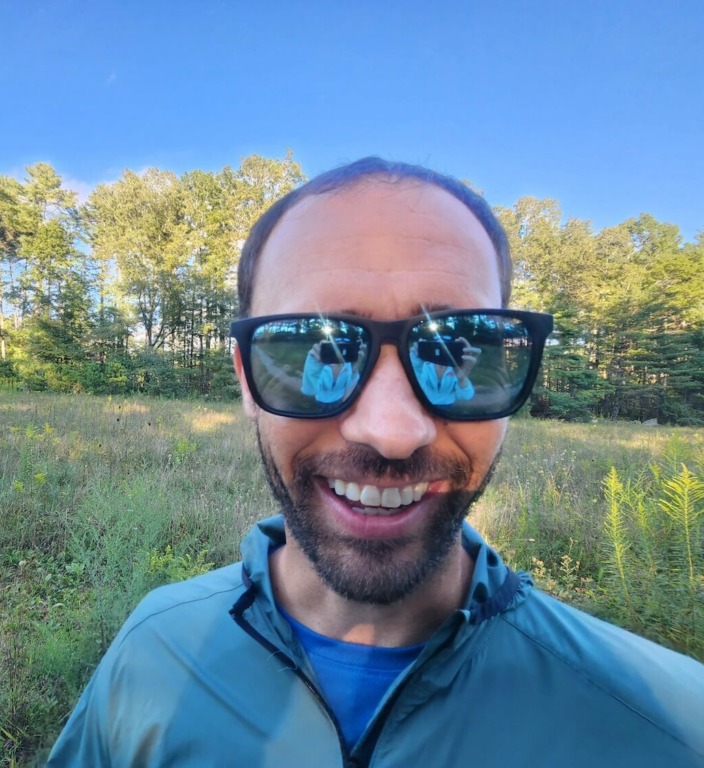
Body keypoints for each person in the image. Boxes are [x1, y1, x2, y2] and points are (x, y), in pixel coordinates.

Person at [47, 158, 704, 767]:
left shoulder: (665, 725)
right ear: (247, 379)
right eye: (320, 353)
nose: (393, 431)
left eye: (454, 353)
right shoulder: (154, 652)